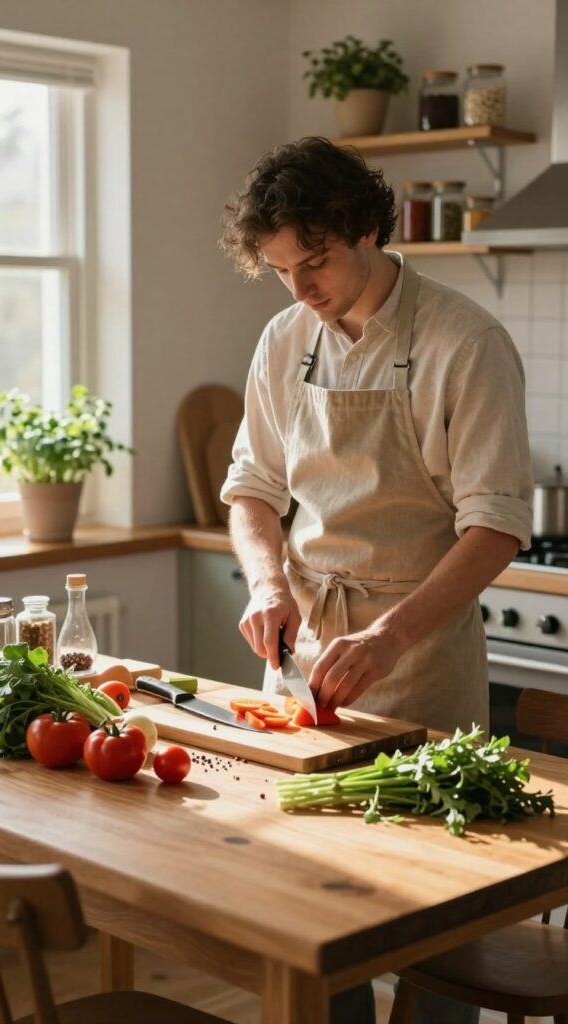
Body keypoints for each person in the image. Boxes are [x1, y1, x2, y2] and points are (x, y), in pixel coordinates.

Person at [219, 137, 533, 1024]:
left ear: (365, 228)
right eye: (281, 270)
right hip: (301, 651)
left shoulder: (464, 341)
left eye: (314, 261)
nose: (300, 288)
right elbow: (251, 489)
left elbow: (495, 525)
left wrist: (390, 636)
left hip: (418, 655)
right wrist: (266, 585)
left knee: (434, 913)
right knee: (311, 896)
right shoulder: (285, 340)